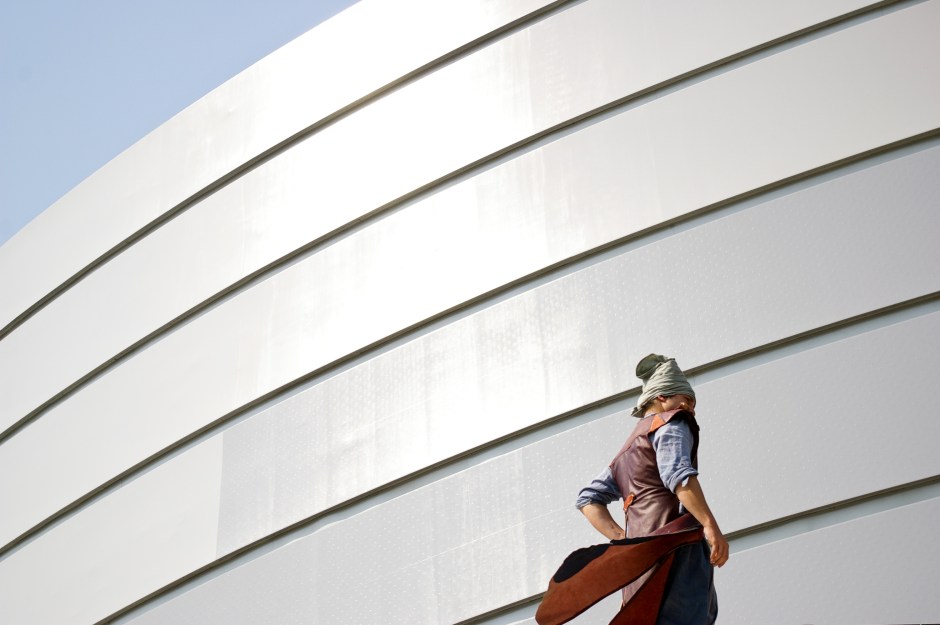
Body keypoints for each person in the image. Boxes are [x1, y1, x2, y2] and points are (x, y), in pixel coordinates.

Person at [574, 353, 728, 624]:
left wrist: (625, 540)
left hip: (640, 573)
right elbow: (679, 476)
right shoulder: (673, 423)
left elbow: (588, 499)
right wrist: (710, 525)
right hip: (676, 553)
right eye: (686, 399)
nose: (690, 408)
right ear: (662, 397)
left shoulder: (628, 450)